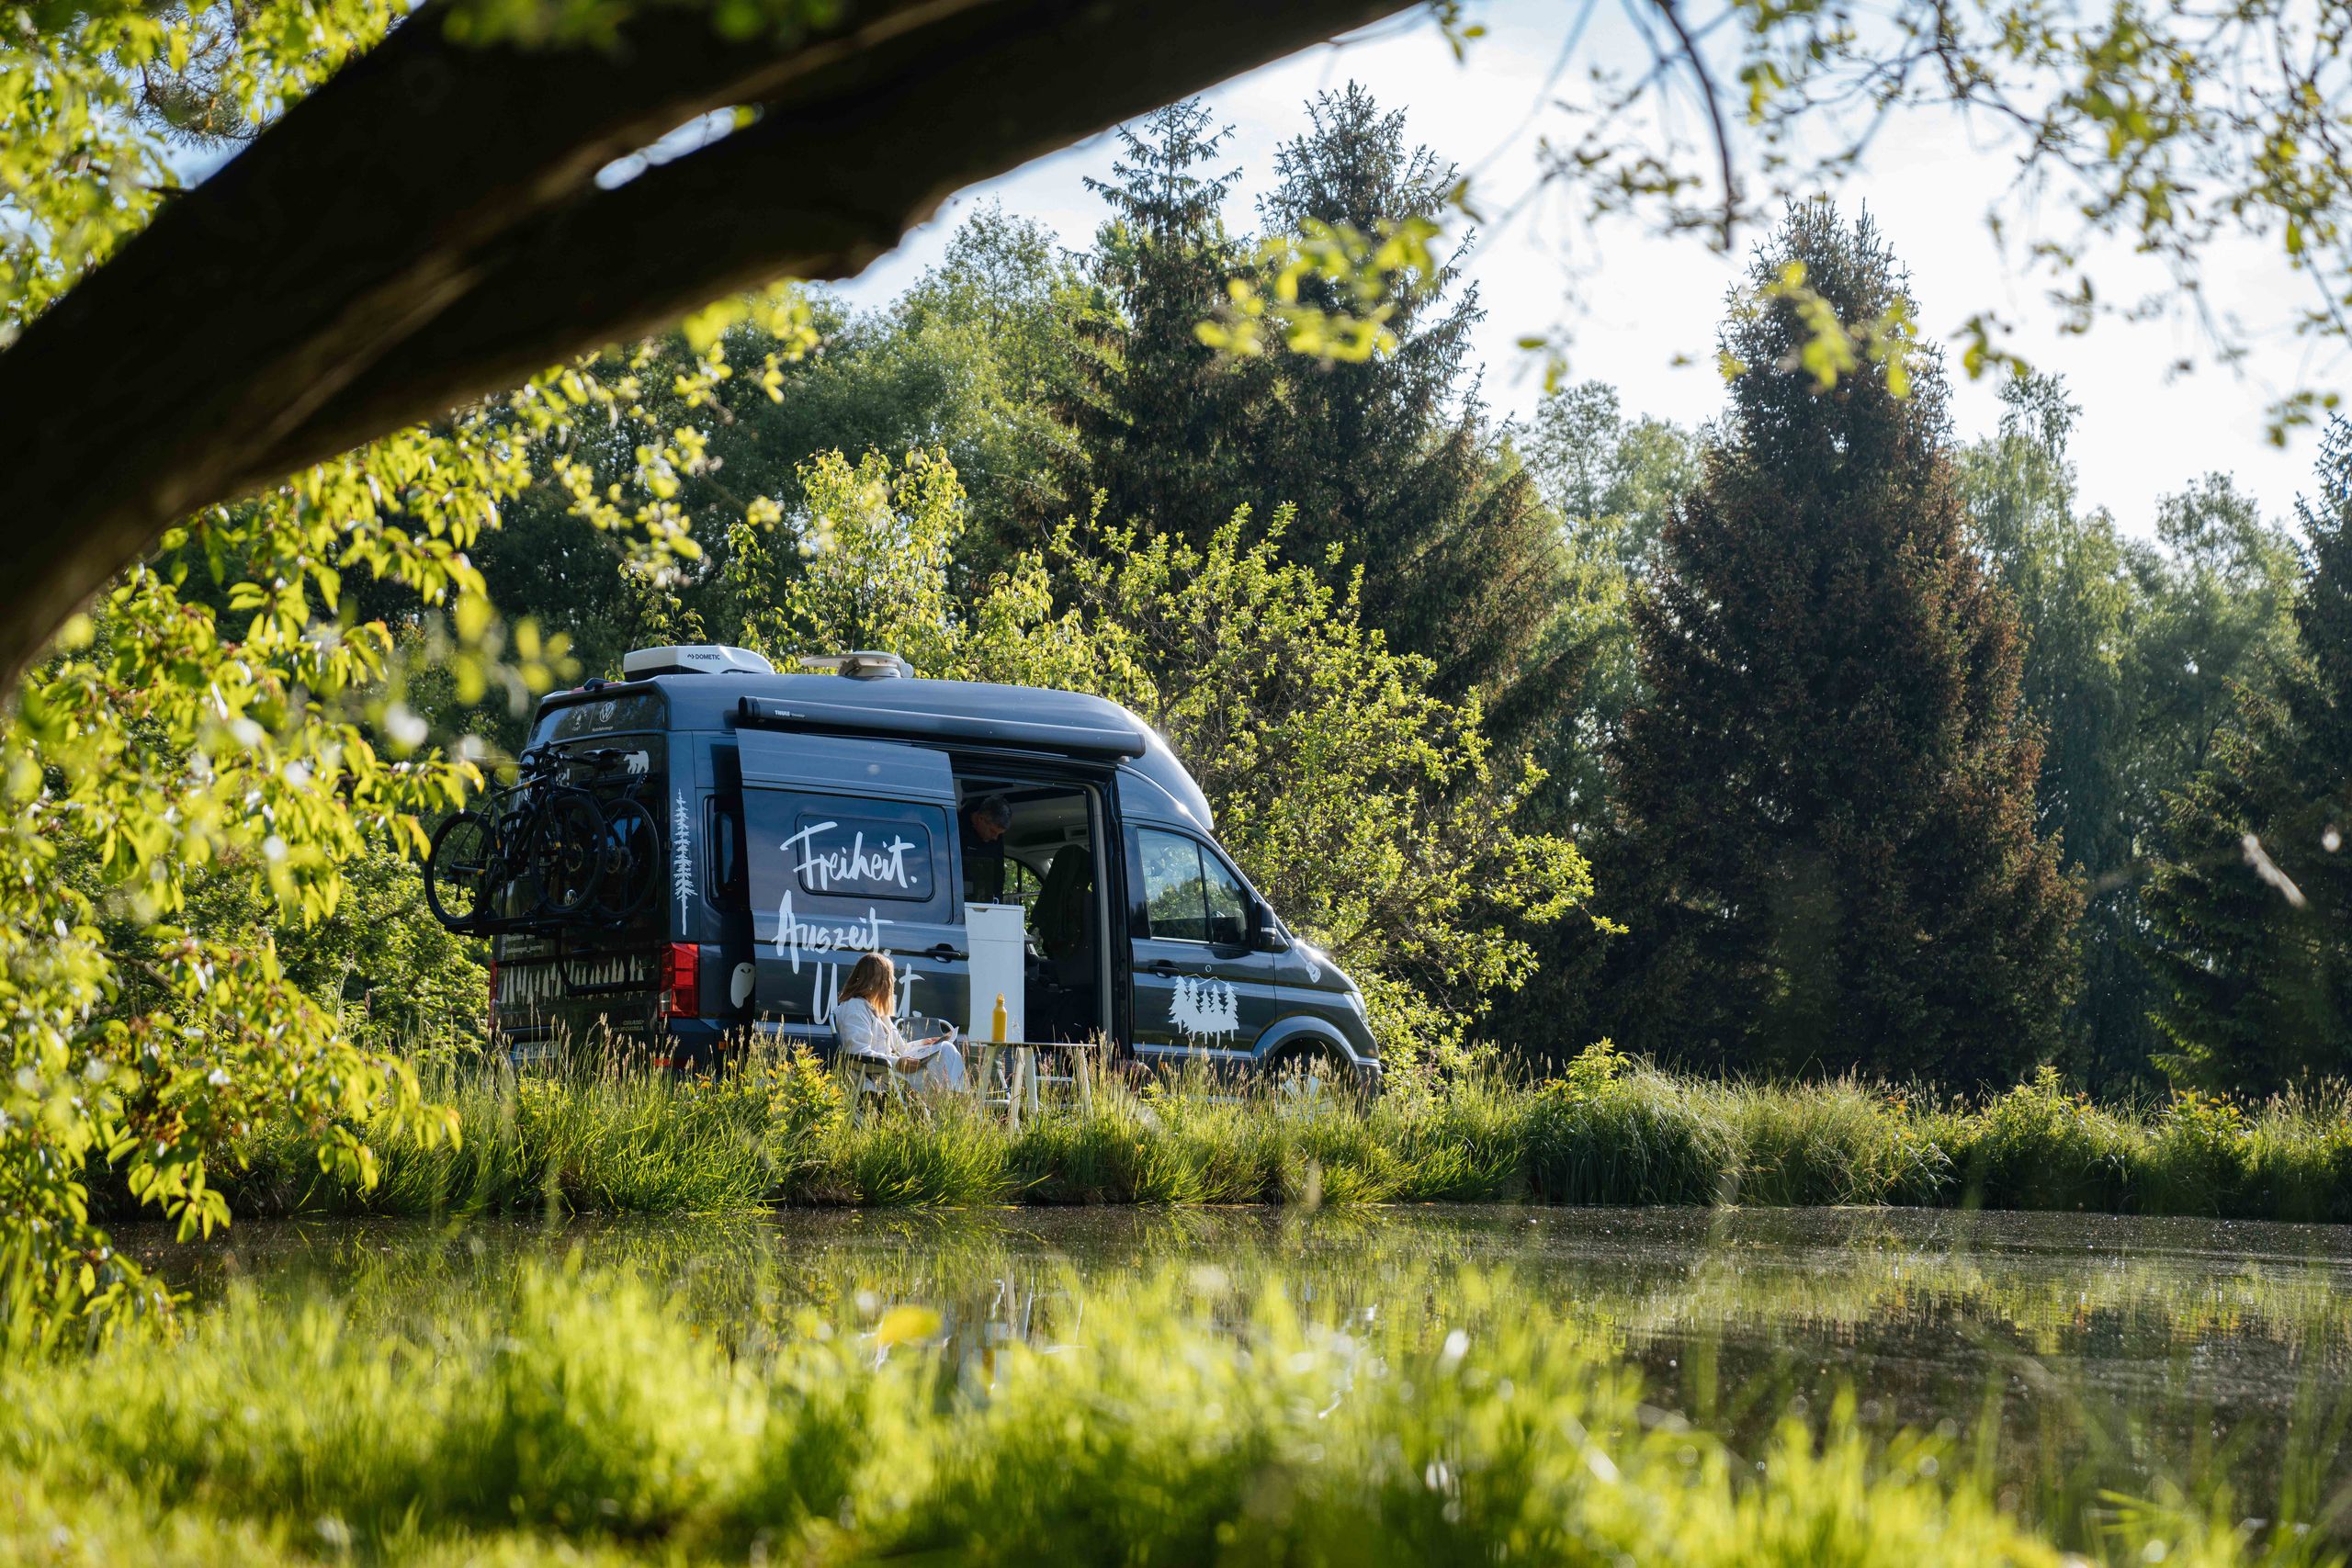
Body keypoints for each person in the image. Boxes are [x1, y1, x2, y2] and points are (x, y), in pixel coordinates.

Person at [831, 952, 967, 1093]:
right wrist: (898, 1063)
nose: (892, 983)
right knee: (947, 1052)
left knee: (944, 1048)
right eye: (889, 979)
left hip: (893, 1073)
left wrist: (925, 1044)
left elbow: (901, 1049)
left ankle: (957, 1100)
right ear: (878, 981)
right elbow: (857, 1053)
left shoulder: (876, 1011)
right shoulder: (855, 1008)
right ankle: (960, 1101)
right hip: (883, 1077)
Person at [959, 793, 1012, 904]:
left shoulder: (996, 839)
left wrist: (997, 904)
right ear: (981, 818)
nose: (995, 837)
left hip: (987, 902)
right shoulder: (956, 828)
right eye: (993, 831)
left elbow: (998, 875)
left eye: (999, 834)